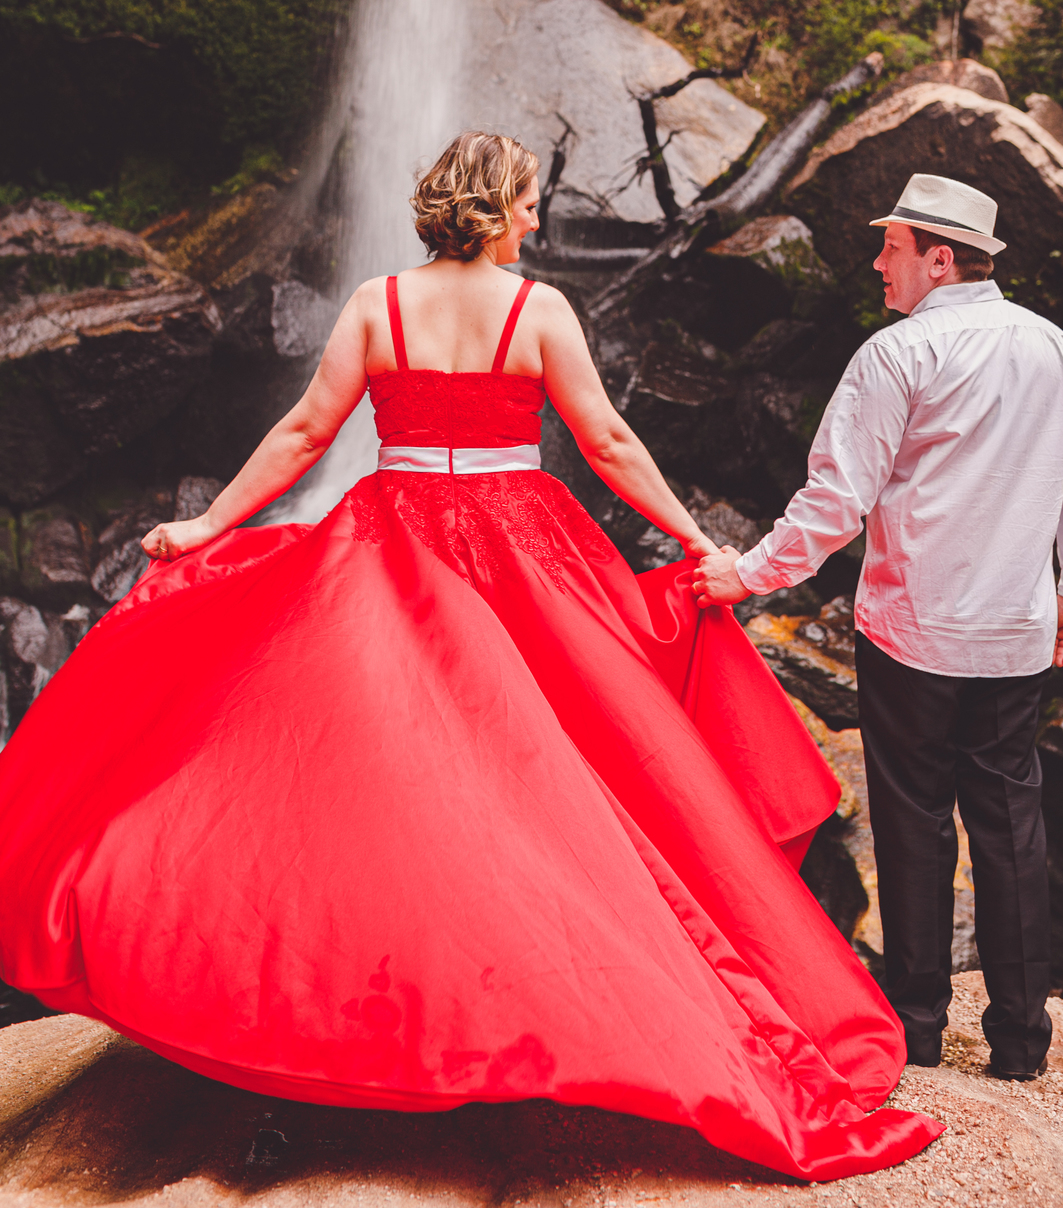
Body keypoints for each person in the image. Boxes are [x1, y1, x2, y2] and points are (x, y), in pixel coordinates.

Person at [0, 131, 940, 1184]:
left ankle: (332, 1018)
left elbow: (307, 431)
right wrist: (694, 540)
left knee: (354, 787)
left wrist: (211, 525)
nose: (538, 220)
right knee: (568, 777)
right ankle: (551, 1005)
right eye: (530, 204)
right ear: (497, 211)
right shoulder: (536, 311)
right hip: (518, 541)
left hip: (388, 532)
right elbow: (609, 443)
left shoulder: (376, 304)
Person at [696, 173, 1063, 1083]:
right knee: (1011, 820)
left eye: (889, 248)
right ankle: (1019, 1044)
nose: (876, 263)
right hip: (1014, 630)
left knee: (914, 821)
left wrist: (748, 575)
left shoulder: (896, 357)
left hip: (913, 633)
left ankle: (919, 1034)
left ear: (938, 256)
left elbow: (835, 502)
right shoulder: (1058, 352)